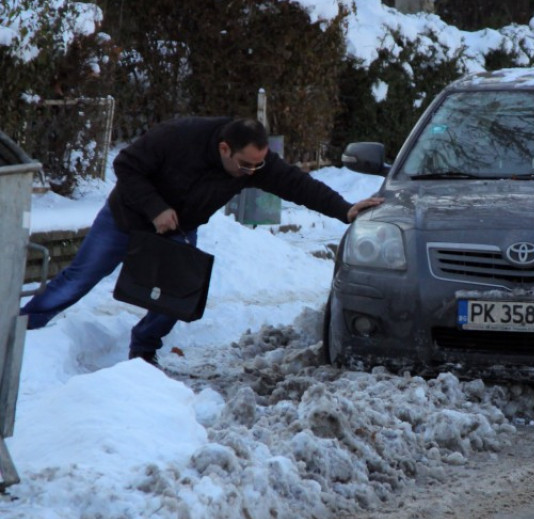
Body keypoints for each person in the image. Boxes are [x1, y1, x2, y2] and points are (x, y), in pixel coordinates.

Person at [20, 117, 383, 365]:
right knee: (81, 277)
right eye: (246, 165)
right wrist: (156, 208)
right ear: (225, 148)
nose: (253, 173)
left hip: (179, 228)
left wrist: (344, 209)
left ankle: (143, 350)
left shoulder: (254, 162)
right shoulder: (178, 137)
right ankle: (21, 335)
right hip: (126, 217)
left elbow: (298, 185)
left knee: (177, 292)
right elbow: (126, 166)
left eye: (259, 165)